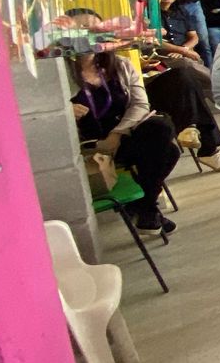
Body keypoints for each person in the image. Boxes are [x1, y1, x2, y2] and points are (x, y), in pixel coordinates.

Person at [69, 51, 180, 234]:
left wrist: (117, 133)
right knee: (169, 152)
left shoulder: (120, 64)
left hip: (125, 133)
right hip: (92, 146)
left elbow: (140, 104)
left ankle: (144, 206)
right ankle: (146, 208)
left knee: (161, 128)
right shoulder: (61, 73)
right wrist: (67, 110)